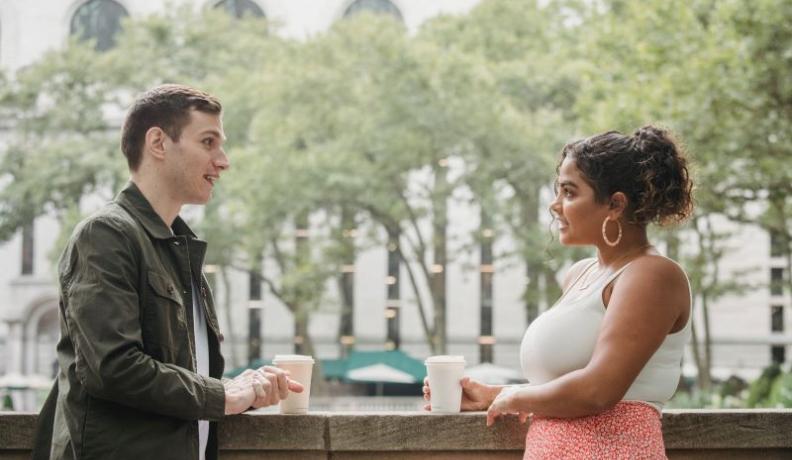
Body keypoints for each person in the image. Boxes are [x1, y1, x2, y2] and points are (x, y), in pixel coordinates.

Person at [33, 84, 303, 460]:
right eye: (208, 142)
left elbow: (180, 382)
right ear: (158, 142)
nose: (223, 160)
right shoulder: (106, 234)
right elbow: (113, 368)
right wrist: (224, 394)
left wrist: (244, 390)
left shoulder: (178, 248)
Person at [424, 125, 694, 459]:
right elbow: (563, 388)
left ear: (615, 204)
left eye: (569, 192)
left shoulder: (652, 275)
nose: (555, 206)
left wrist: (513, 398)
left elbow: (598, 390)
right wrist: (493, 394)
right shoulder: (579, 274)